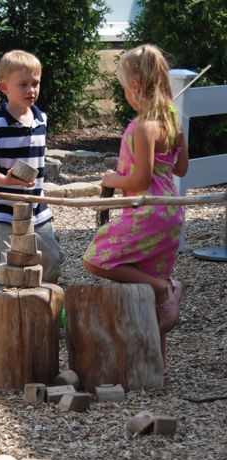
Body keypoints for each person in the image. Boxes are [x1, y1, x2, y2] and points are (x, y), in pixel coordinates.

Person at [83, 44, 189, 354]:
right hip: (171, 212)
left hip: (147, 212)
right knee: (158, 295)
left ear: (135, 87)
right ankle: (159, 364)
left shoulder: (143, 127)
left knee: (95, 258)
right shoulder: (172, 121)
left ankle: (164, 287)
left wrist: (111, 179)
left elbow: (141, 181)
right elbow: (181, 167)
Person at [0, 49, 63, 282]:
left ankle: (44, 308)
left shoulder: (41, 119)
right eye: (23, 84)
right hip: (1, 207)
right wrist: (4, 180)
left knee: (50, 263)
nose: (31, 90)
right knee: (1, 268)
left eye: (35, 83)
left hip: (36, 206)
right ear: (4, 87)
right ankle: (0, 311)